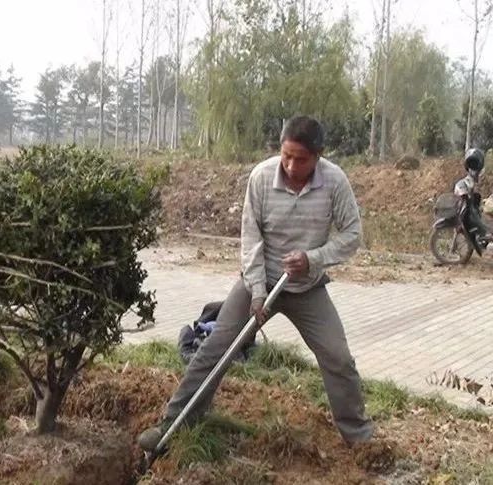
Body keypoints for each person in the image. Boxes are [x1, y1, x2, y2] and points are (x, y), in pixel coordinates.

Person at [138, 115, 374, 452]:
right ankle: (172, 425)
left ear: (319, 156)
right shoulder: (261, 177)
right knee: (215, 348)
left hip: (307, 288)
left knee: (338, 358)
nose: (291, 166)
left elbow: (352, 236)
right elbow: (251, 238)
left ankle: (360, 438)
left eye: (301, 159)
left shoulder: (335, 182)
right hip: (257, 282)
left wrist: (313, 258)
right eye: (286, 155)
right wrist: (258, 291)